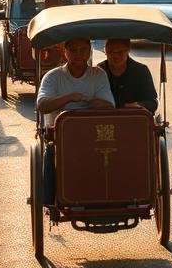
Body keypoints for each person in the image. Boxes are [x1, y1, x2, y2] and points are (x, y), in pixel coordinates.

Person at [36, 38, 115, 200]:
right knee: (51, 151)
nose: (78, 54)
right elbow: (42, 104)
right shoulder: (52, 77)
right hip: (60, 137)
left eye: (83, 50)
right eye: (73, 50)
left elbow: (109, 105)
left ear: (89, 52)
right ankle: (49, 199)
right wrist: (70, 98)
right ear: (65, 52)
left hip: (92, 135)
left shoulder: (98, 75)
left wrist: (90, 103)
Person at [98, 38, 158, 112]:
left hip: (133, 116)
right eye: (110, 52)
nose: (115, 56)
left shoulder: (141, 70)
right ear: (105, 51)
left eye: (120, 52)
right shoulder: (99, 70)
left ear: (128, 50)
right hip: (105, 117)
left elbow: (152, 103)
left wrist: (138, 105)